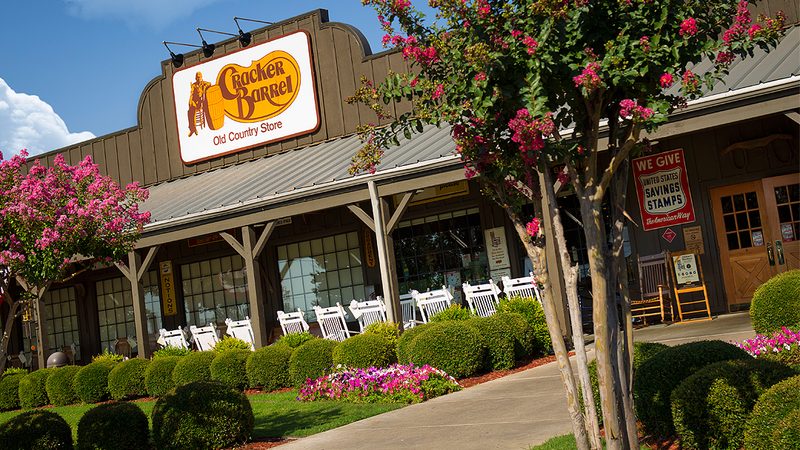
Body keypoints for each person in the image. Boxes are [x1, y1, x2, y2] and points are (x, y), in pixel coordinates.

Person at [187, 71, 211, 137]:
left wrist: (204, 88)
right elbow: (191, 94)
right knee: (190, 111)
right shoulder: (194, 85)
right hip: (195, 102)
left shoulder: (204, 83)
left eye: (199, 77)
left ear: (201, 77)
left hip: (201, 102)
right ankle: (193, 129)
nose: (198, 78)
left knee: (192, 110)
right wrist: (190, 101)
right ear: (195, 78)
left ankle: (193, 129)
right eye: (197, 77)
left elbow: (209, 83)